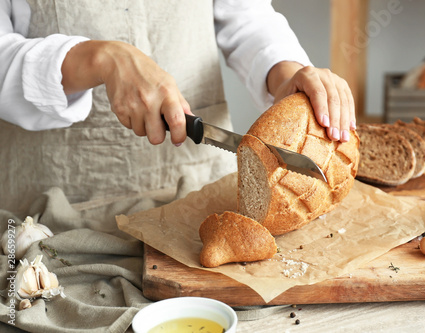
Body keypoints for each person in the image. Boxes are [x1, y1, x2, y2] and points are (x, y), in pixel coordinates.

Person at [0, 0, 356, 216]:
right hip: (49, 214)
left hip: (197, 200)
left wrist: (287, 74)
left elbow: (249, 20)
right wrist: (99, 58)